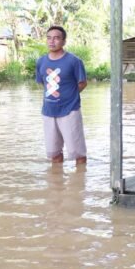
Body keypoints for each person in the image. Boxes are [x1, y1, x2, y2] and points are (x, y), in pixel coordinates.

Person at [35, 25, 88, 165]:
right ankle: (56, 184)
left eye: (57, 38)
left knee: (78, 154)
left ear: (64, 41)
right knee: (54, 154)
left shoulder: (74, 61)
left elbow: (82, 83)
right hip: (48, 112)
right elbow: (43, 83)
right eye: (49, 38)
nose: (52, 41)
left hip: (70, 111)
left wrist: (69, 98)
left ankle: (78, 184)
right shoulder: (41, 61)